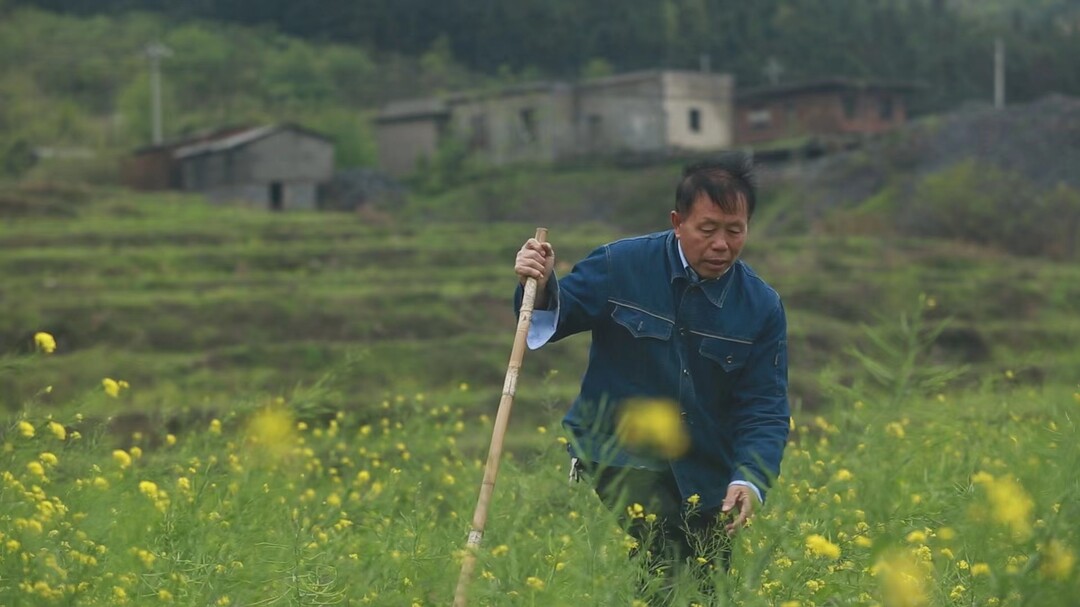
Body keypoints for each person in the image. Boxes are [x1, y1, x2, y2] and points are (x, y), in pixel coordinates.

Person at [512, 153, 790, 591]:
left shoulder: (761, 307)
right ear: (678, 221)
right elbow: (555, 314)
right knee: (665, 558)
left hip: (703, 467)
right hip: (619, 452)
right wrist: (541, 281)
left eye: (735, 231)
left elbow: (765, 407)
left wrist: (749, 478)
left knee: (708, 584)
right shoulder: (619, 264)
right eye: (708, 229)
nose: (722, 244)